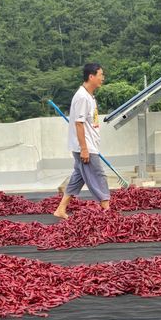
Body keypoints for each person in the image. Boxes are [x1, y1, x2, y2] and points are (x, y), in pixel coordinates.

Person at [53, 63, 110, 219]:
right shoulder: (82, 97)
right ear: (91, 77)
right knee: (99, 176)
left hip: (87, 145)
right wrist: (84, 148)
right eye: (100, 74)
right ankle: (107, 211)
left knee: (78, 177)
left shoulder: (89, 96)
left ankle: (61, 209)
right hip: (85, 147)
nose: (102, 78)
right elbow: (78, 123)